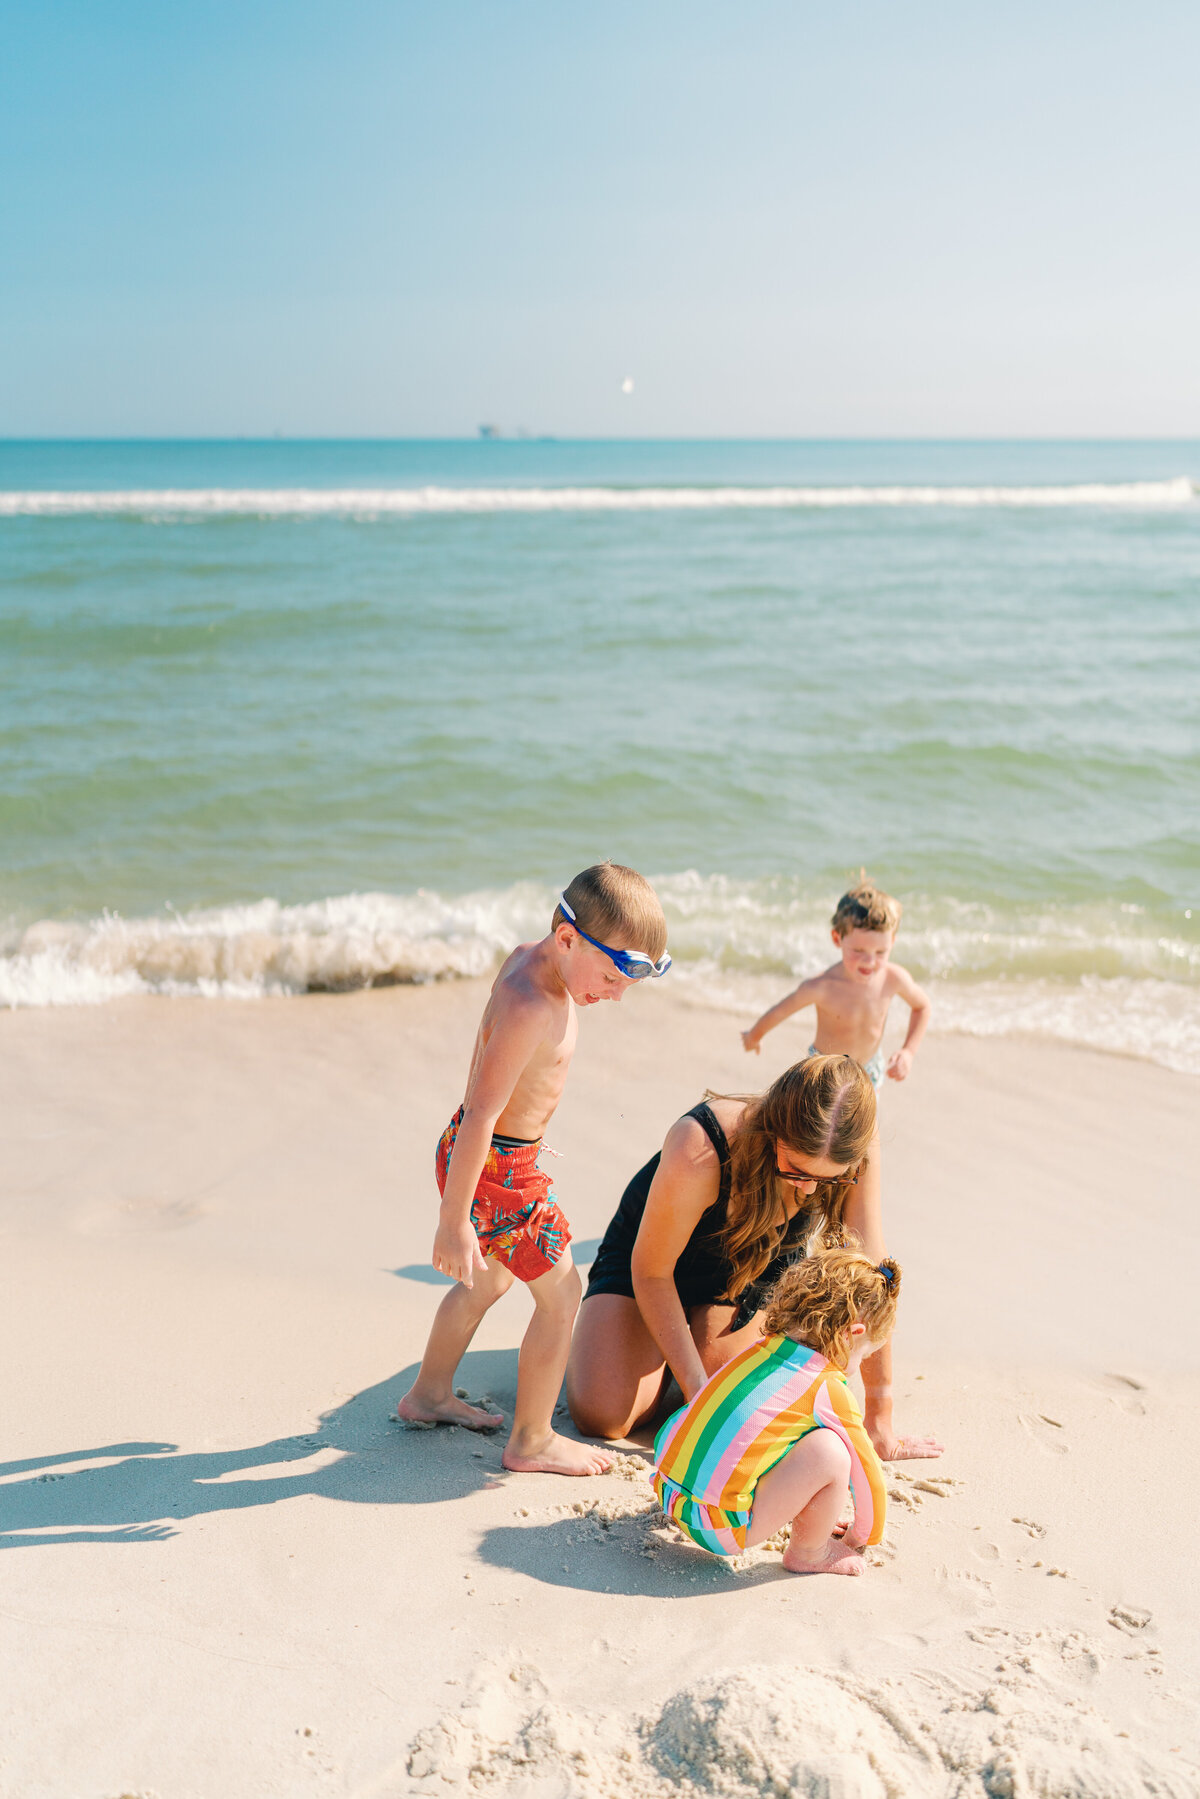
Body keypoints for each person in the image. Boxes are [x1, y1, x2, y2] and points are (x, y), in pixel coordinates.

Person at [398, 863, 671, 1477]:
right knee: (562, 1295)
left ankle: (430, 1395)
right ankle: (531, 1438)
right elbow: (482, 1115)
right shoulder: (533, 1005)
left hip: (492, 1162)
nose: (617, 993)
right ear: (570, 940)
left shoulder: (530, 958)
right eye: (612, 974)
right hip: (497, 1170)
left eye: (633, 980)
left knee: (489, 1282)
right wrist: (452, 1222)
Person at [567, 1054, 940, 1461]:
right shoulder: (703, 1142)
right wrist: (698, 1397)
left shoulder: (854, 1146)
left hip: (748, 1273)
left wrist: (879, 1418)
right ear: (774, 1126)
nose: (811, 1190)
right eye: (795, 1169)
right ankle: (669, 1354)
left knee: (742, 1414)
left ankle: (687, 1347)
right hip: (652, 1265)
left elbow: (873, 1275)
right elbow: (652, 1271)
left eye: (830, 1179)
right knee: (603, 1416)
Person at [652, 1248, 899, 1577]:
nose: (857, 1364)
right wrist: (863, 1535)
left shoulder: (758, 1350)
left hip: (668, 1493)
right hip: (721, 1529)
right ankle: (809, 1554)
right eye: (864, 1354)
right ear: (852, 1334)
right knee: (833, 1450)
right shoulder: (827, 1386)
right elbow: (865, 1470)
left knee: (774, 1427)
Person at [740, 877, 930, 1088]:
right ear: (837, 939)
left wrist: (908, 1052)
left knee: (866, 1122)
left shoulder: (893, 979)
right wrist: (754, 1035)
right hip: (824, 1071)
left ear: (892, 942)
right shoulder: (822, 987)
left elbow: (922, 1006)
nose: (869, 961)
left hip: (867, 1070)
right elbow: (781, 1011)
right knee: (818, 1121)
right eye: (858, 950)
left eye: (880, 952)